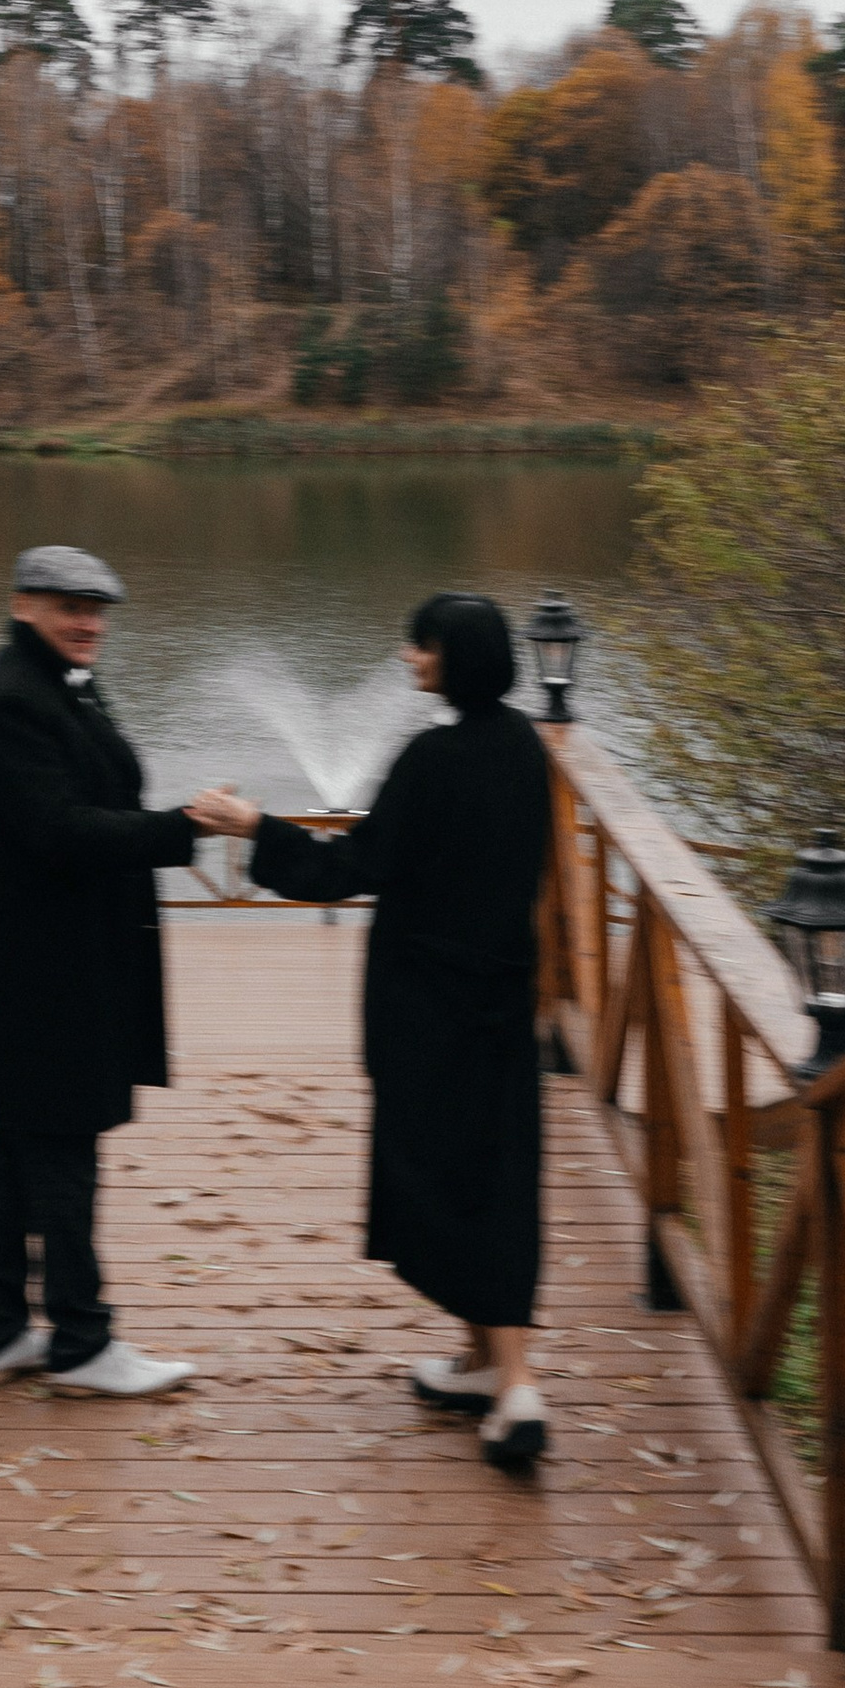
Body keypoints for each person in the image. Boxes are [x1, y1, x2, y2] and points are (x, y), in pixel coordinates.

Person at [192, 589, 553, 1468]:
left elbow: (348, 867)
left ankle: (518, 1387)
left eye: (421, 645)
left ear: (452, 656)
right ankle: (477, 1363)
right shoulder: (528, 749)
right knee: (487, 1167)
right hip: (502, 1001)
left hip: (432, 1008)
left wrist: (254, 827)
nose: (407, 658)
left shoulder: (434, 758)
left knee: (455, 1180)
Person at [0, 542, 216, 1396]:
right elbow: (60, 831)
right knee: (60, 1147)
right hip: (39, 973)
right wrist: (182, 827)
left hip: (45, 959)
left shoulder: (57, 681)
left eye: (98, 609)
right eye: (70, 606)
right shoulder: (12, 703)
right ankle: (81, 1342)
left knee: (22, 1144)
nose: (89, 622)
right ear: (24, 603)